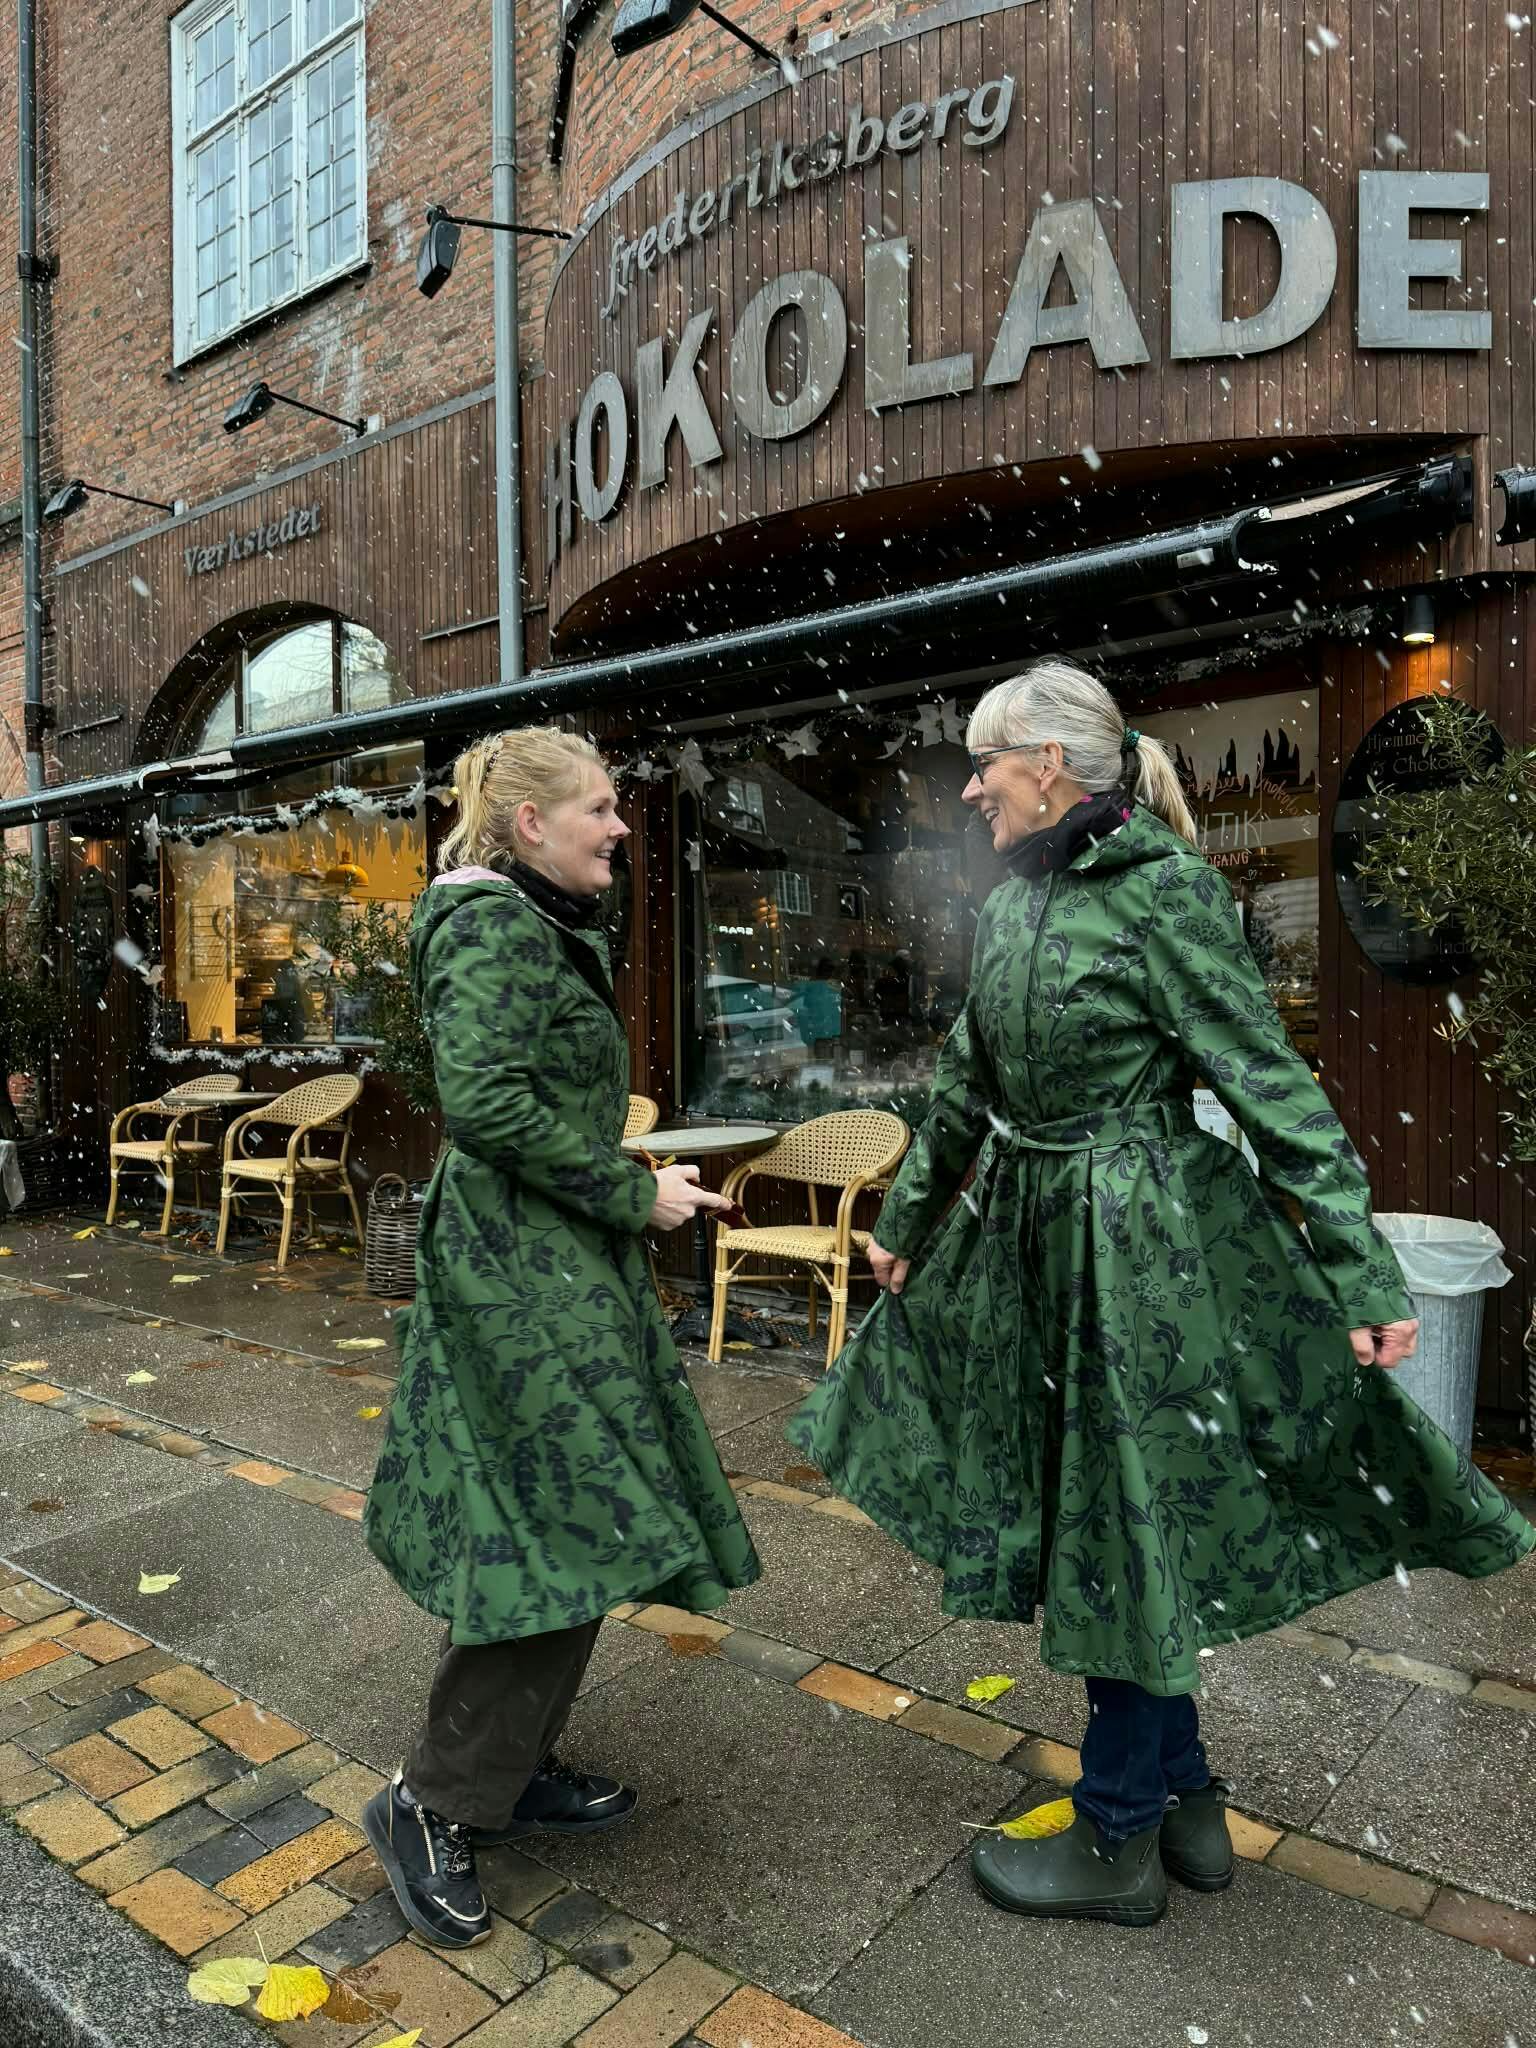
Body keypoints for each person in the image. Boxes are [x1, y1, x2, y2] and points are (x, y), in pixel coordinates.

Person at [789, 660, 1533, 1928]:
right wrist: (906, 1220)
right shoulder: (1014, 903)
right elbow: (968, 1074)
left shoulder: (1167, 894)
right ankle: (1186, 1801)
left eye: (985, 761)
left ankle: (1117, 1836)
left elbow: (1267, 1080)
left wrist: (1358, 1267)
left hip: (1135, 1254)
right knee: (1111, 1518)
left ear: (1049, 766)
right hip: (1035, 1241)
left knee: (1115, 1528)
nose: (969, 788)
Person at [363, 726, 760, 1950]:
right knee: (556, 1525)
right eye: (599, 806)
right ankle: (432, 1801)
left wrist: (636, 1178)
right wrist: (631, 1192)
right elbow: (485, 1103)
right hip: (517, 1278)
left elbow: (530, 1103)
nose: (621, 825)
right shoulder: (488, 925)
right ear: (530, 821)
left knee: (565, 1524)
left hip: (549, 1265)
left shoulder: (530, 923)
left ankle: (503, 1767)